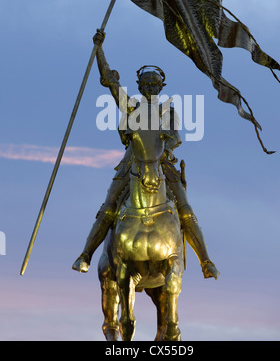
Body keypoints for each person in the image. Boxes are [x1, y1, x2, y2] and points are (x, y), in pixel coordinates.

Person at [72, 30, 219, 280]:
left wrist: (161, 148)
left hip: (163, 164)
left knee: (185, 211)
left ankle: (205, 260)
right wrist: (99, 50)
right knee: (108, 209)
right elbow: (110, 82)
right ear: (140, 86)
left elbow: (175, 137)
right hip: (131, 163)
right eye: (146, 84)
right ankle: (85, 254)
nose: (151, 88)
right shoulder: (132, 107)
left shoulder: (168, 111)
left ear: (161, 87)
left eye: (154, 84)